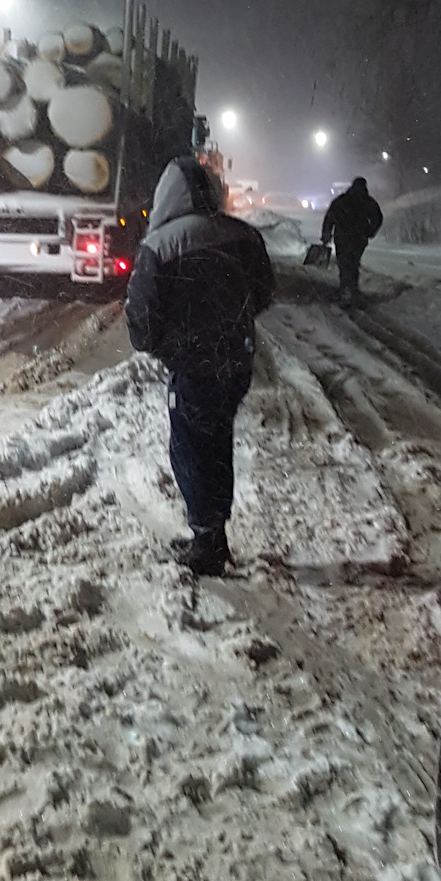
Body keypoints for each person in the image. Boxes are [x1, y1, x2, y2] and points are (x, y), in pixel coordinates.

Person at [126, 156, 275, 576]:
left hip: (193, 366)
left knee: (190, 447)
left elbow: (143, 319)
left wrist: (162, 344)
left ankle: (206, 541)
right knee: (217, 441)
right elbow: (263, 293)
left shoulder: (160, 245)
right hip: (235, 361)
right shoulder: (243, 236)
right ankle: (213, 532)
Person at [320, 176, 384, 306]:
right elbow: (378, 218)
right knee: (353, 263)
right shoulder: (368, 202)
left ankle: (345, 289)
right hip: (358, 239)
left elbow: (330, 217)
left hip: (342, 237)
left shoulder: (341, 200)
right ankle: (352, 289)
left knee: (344, 263)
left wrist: (326, 234)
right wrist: (370, 232)